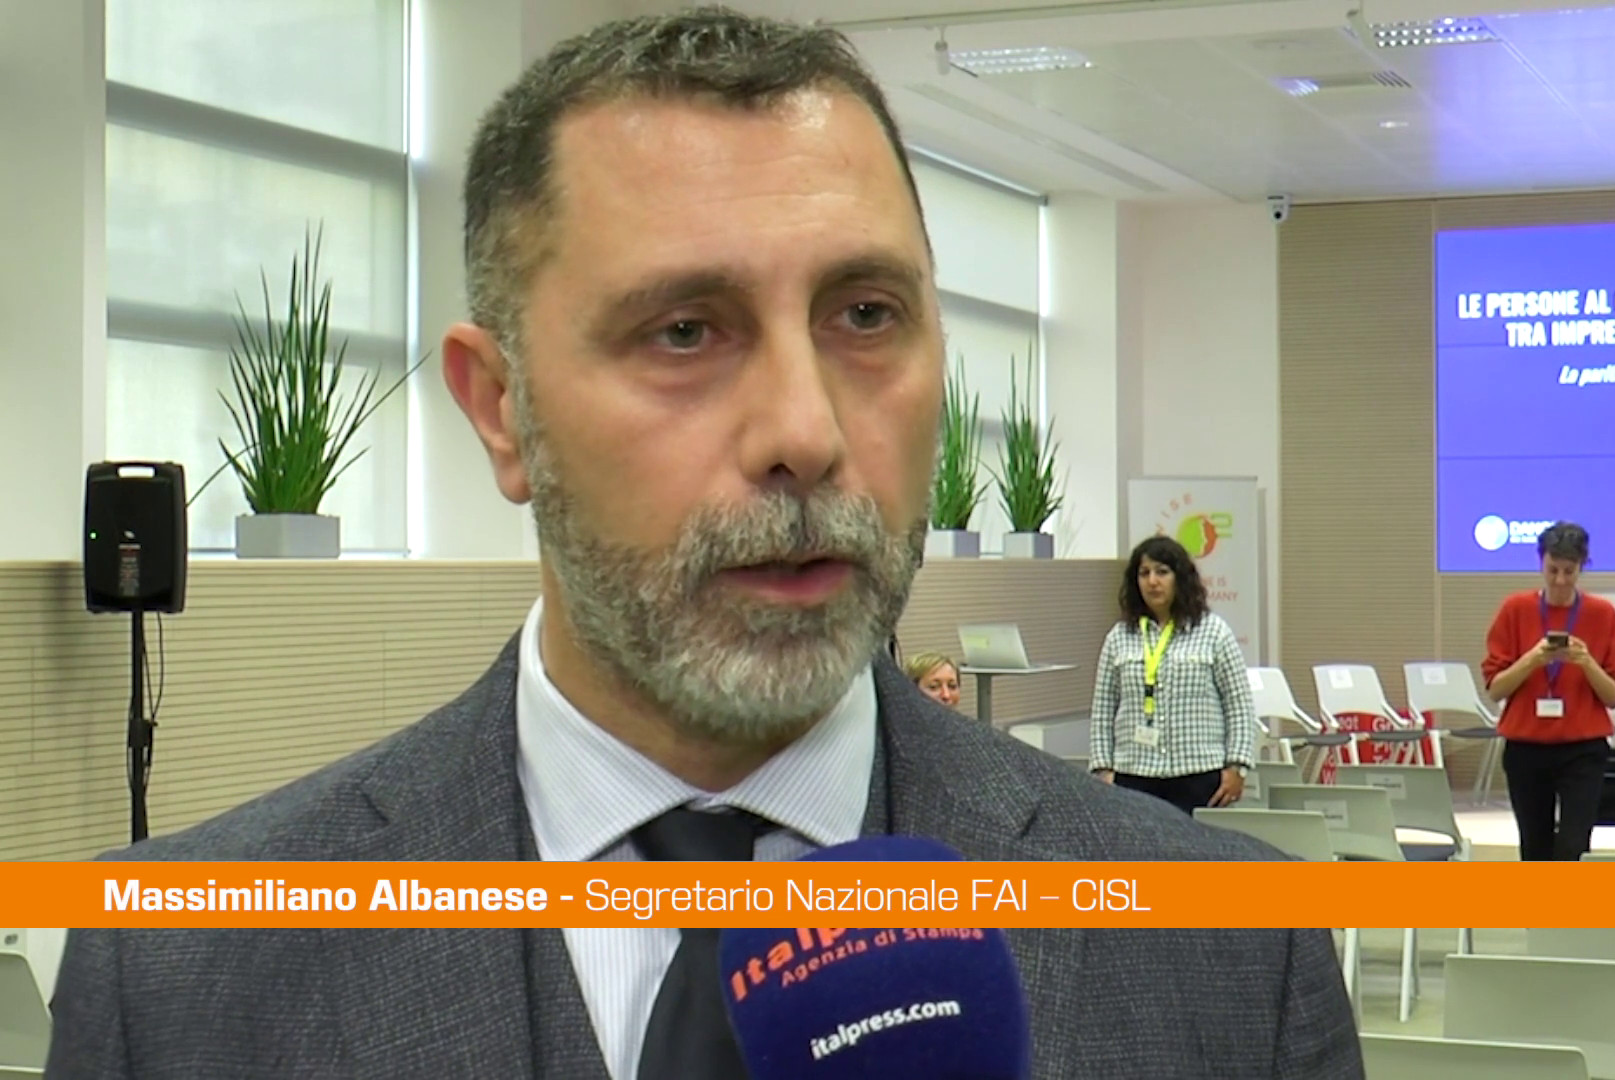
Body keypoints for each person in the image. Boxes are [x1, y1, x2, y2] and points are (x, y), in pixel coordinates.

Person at [45, 10, 1362, 1080]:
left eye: (865, 314)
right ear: (501, 411)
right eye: (684, 331)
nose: (805, 432)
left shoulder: (1233, 956)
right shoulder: (179, 974)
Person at [1482, 522, 1615, 861]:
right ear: (1541, 563)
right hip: (1526, 747)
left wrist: (1587, 663)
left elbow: (1613, 696)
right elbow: (1495, 689)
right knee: (1535, 847)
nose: (1560, 580)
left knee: (1573, 847)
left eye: (1569, 571)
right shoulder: (1515, 609)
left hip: (1583, 749)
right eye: (1553, 570)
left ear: (1582, 567)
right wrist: (1532, 660)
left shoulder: (1602, 614)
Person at [1089, 535, 1259, 815]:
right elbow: (1103, 709)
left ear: (1180, 578)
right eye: (1144, 573)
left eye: (1162, 572)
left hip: (1199, 774)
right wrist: (1103, 769)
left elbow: (1239, 705)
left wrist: (1236, 767)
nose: (1152, 581)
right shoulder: (1119, 637)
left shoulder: (1214, 632)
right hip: (1134, 774)